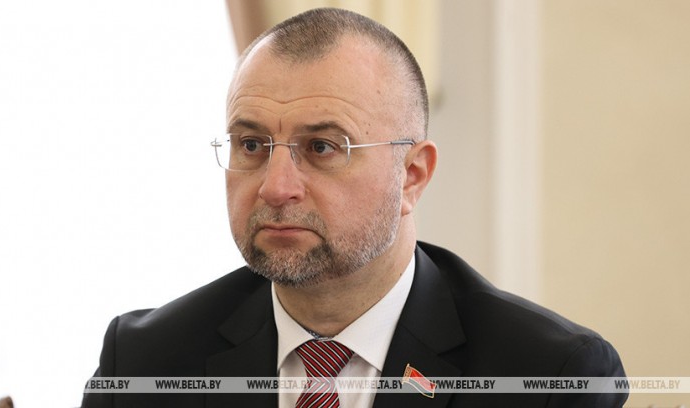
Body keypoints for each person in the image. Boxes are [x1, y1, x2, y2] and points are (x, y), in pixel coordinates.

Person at [82, 8, 627, 408]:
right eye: (251, 145)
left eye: (322, 147)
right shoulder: (144, 361)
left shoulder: (550, 376)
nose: (276, 187)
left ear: (412, 175)